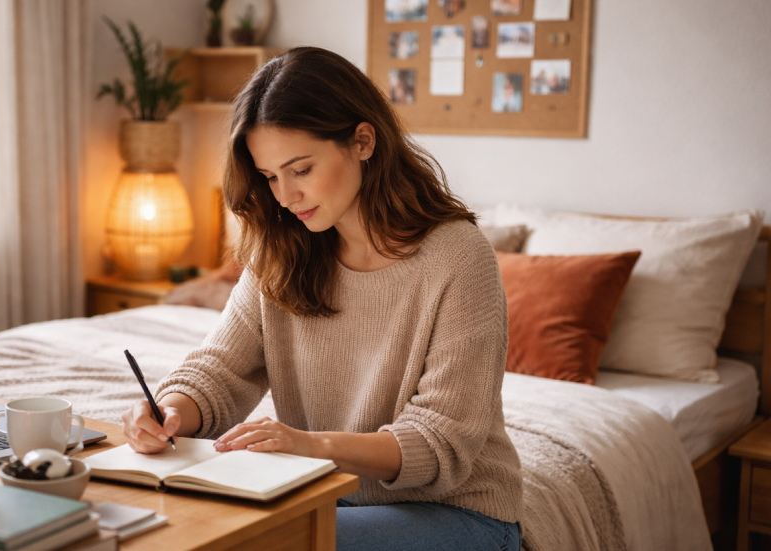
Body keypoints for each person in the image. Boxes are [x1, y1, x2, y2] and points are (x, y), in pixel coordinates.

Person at [120, 46, 522, 551]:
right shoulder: (282, 249)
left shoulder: (458, 258)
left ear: (362, 141)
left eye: (301, 169)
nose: (285, 197)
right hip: (320, 491)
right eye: (269, 177)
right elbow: (222, 369)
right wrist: (168, 411)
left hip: (452, 512)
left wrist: (309, 446)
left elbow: (441, 442)